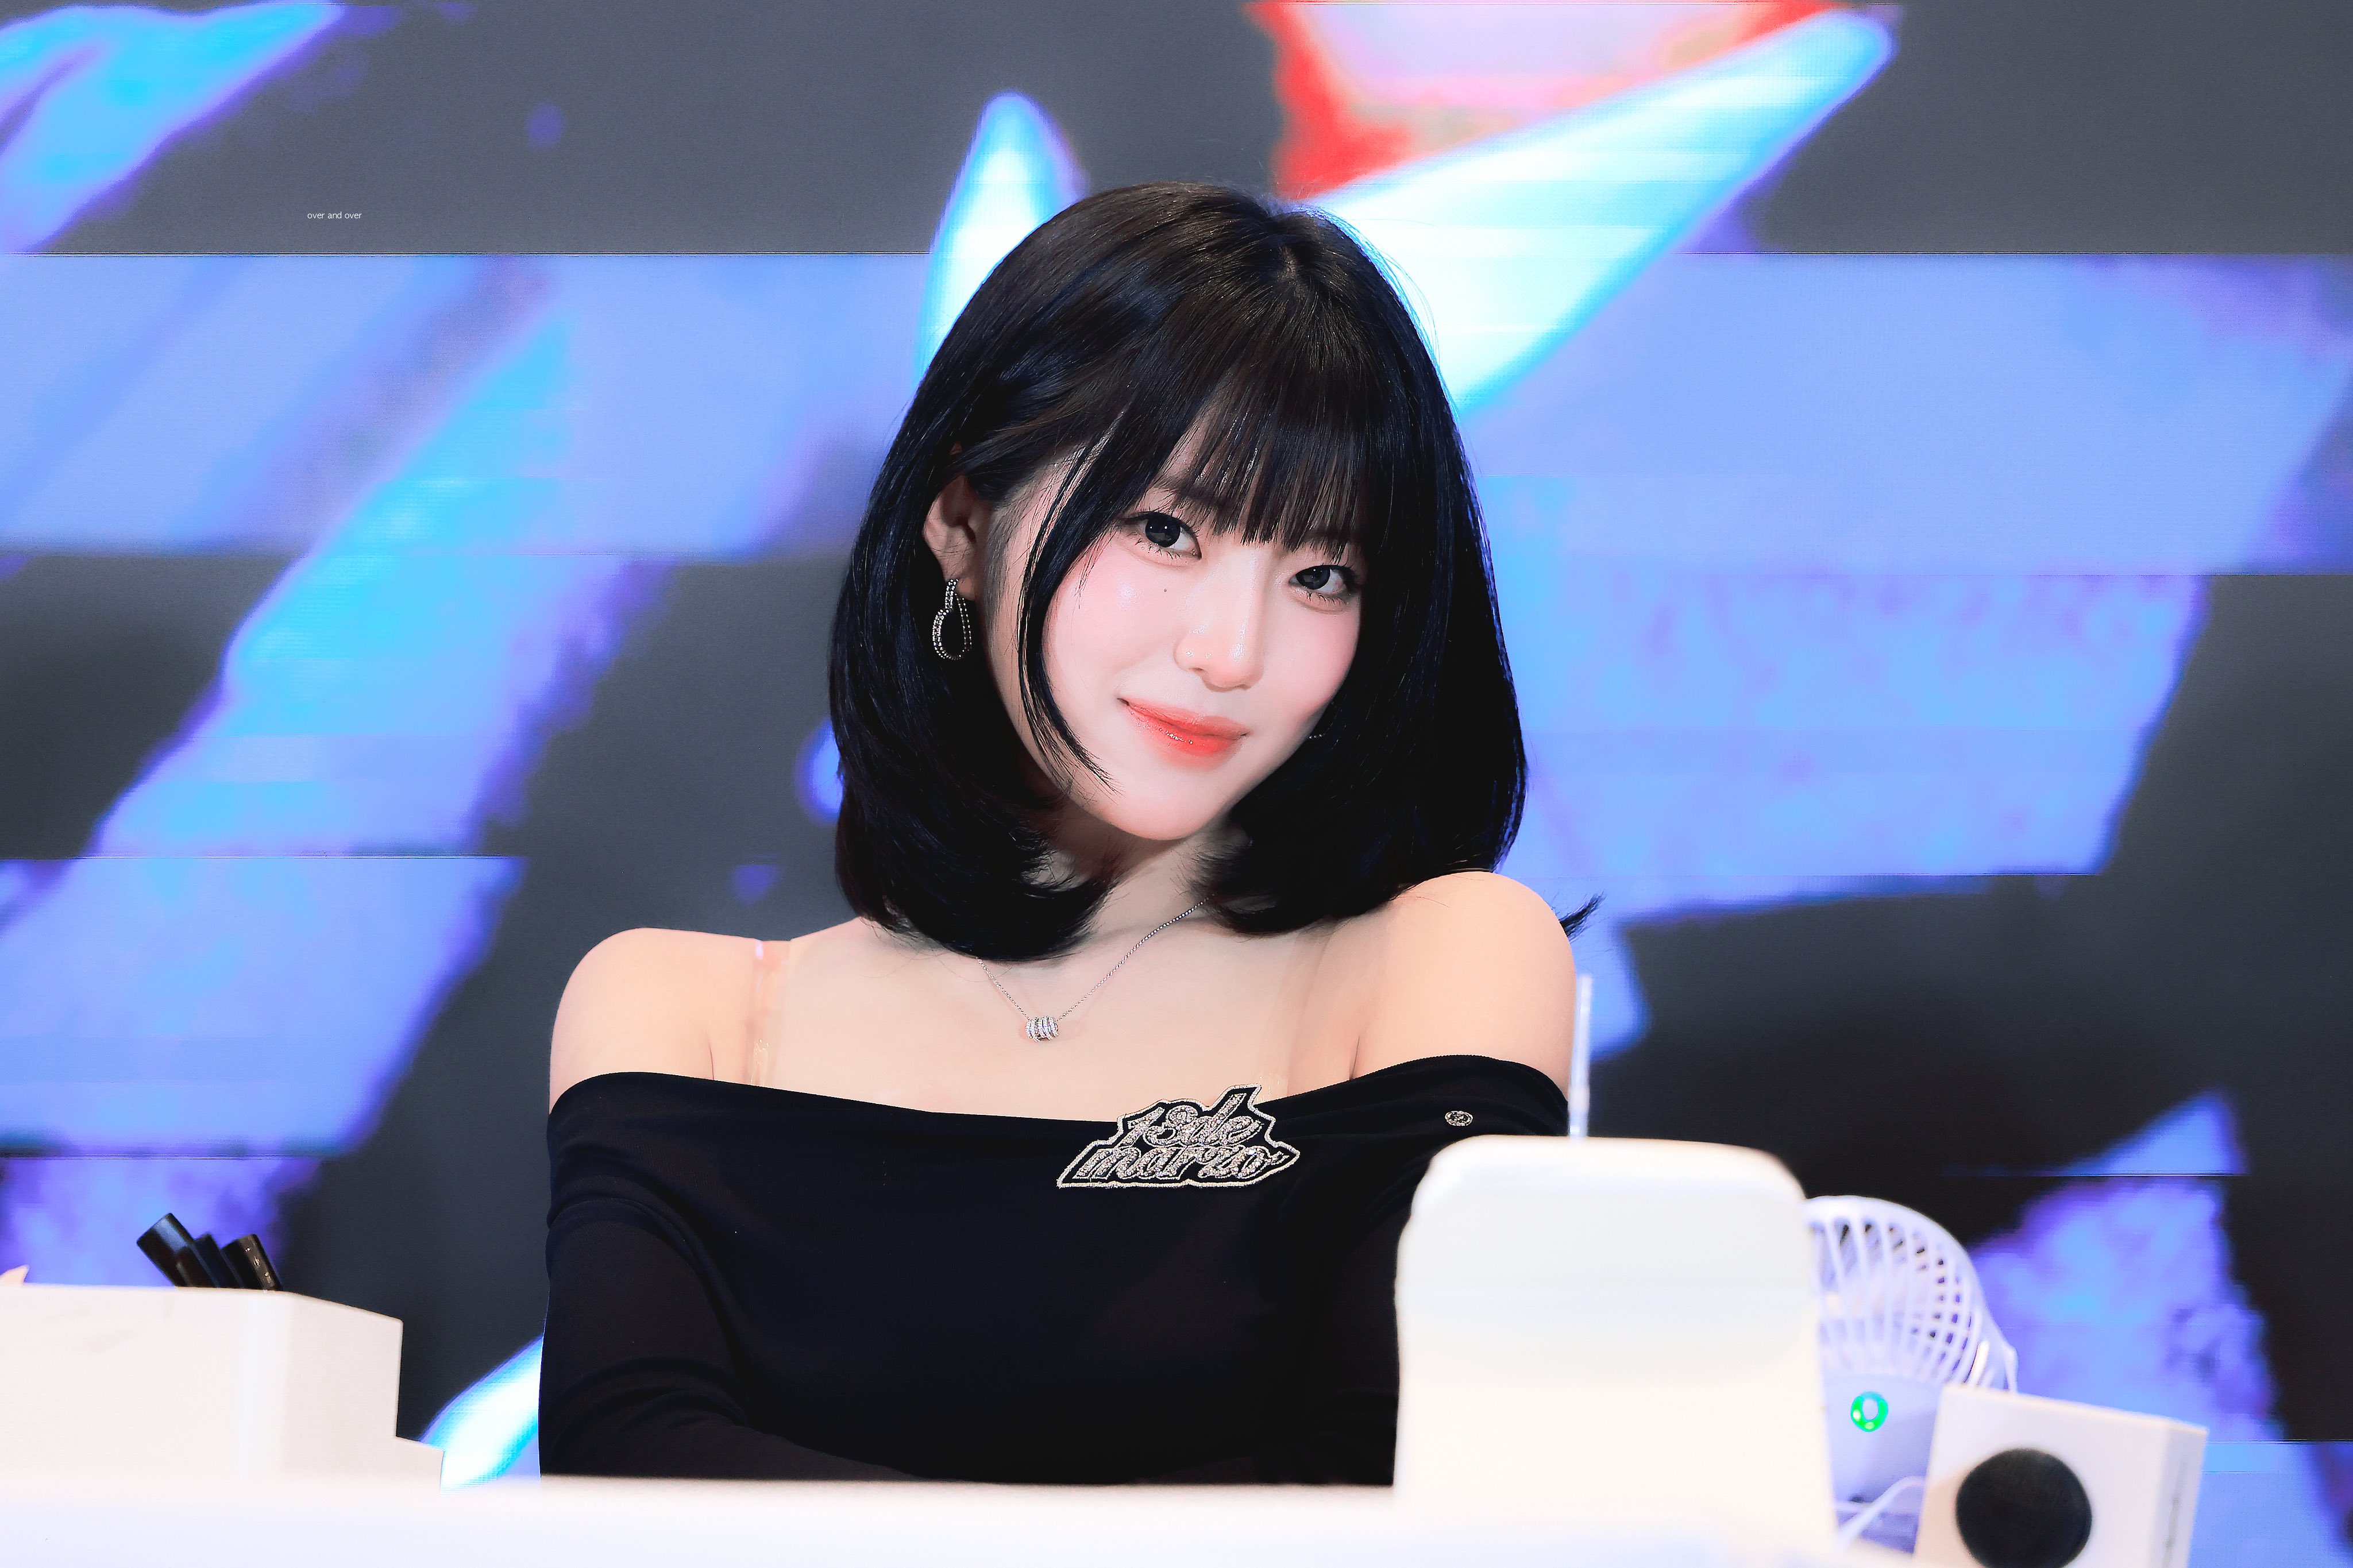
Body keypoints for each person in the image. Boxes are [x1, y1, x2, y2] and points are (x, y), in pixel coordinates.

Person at [539, 181, 1587, 1485]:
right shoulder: (692, 1020)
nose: (1232, 651)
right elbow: (627, 1479)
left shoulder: (1439, 966)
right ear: (961, 524)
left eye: (1322, 574)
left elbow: (1402, 1481)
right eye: (1165, 530)